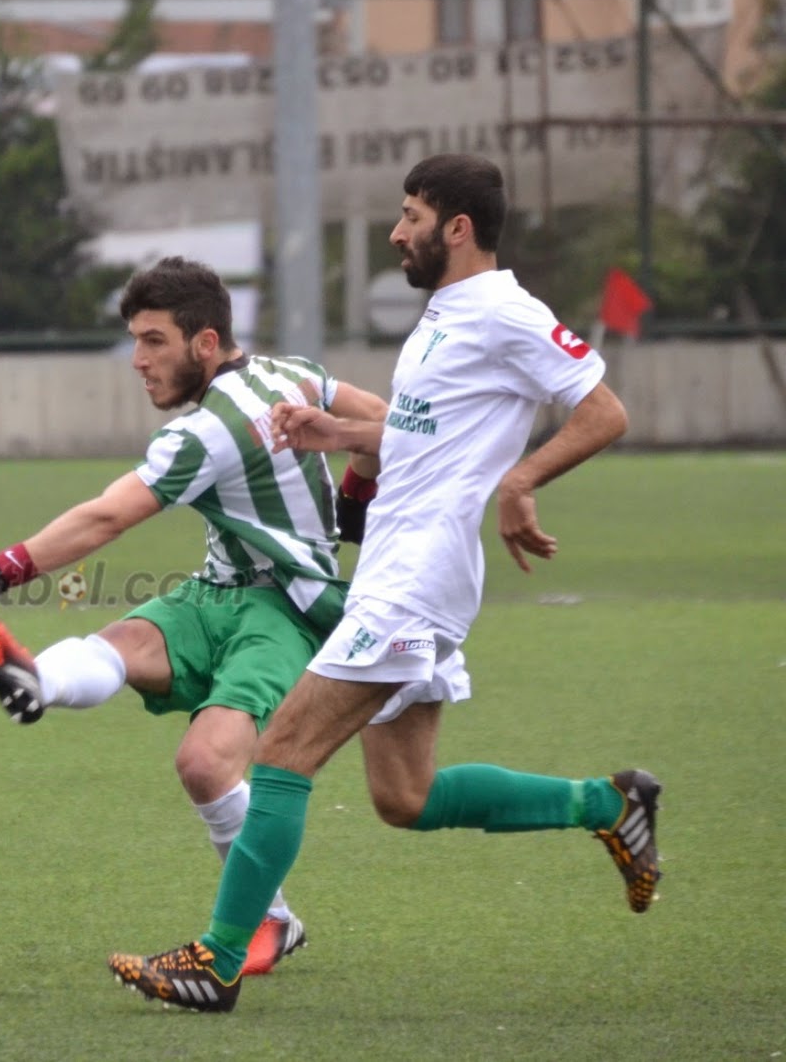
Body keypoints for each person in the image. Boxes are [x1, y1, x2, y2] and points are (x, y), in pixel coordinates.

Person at [107, 154, 659, 1013]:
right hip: (391, 573)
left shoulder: (504, 309)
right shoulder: (444, 314)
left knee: (283, 749)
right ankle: (611, 803)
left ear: (458, 228)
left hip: (416, 578)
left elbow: (604, 410)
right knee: (406, 795)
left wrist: (520, 482)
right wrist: (336, 431)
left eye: (411, 216)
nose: (398, 232)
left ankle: (218, 960)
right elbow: (425, 430)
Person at [0, 256, 388, 976]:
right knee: (125, 642)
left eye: (154, 341)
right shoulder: (291, 374)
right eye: (135, 341)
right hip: (216, 589)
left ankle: (272, 919)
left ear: (205, 342)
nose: (138, 361)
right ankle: (33, 680)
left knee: (205, 762)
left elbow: (108, 516)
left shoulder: (206, 432)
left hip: (287, 610)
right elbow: (381, 420)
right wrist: (355, 494)